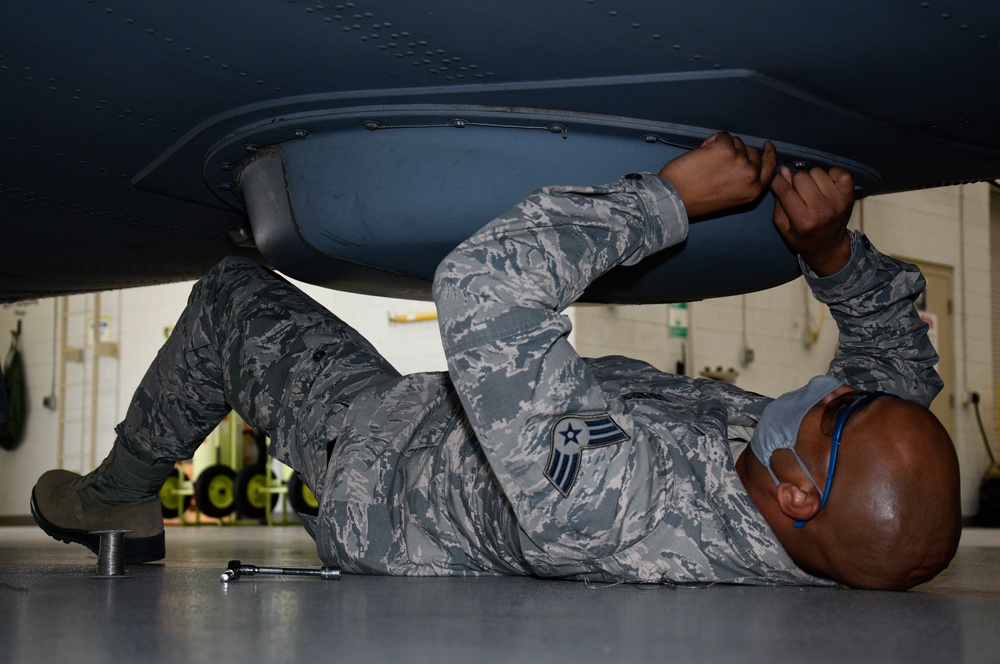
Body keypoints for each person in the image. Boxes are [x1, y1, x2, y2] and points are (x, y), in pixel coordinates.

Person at [31, 133, 961, 591]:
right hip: (442, 426)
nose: (835, 390)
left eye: (839, 410)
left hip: (382, 465)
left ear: (801, 495)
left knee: (235, 299)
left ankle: (118, 496)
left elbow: (481, 286)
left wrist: (668, 200)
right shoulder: (817, 487)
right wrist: (833, 251)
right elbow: (897, 381)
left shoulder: (617, 503)